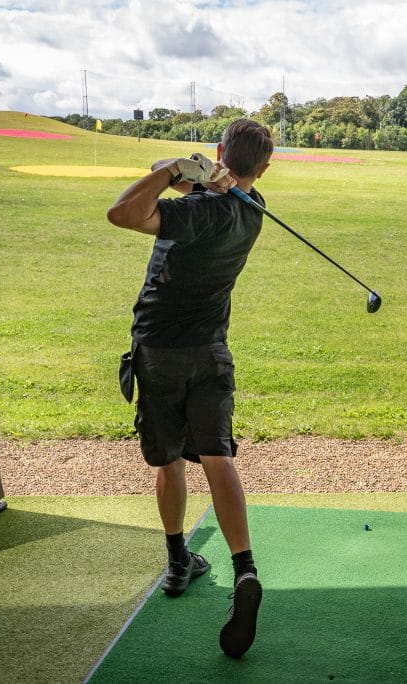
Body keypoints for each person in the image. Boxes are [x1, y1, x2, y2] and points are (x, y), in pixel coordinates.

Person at [106, 118, 274, 659]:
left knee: (169, 461)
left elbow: (123, 213)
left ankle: (179, 560)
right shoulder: (254, 209)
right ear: (263, 167)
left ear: (222, 150)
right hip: (212, 353)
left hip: (160, 350)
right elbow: (174, 178)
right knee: (217, 456)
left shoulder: (197, 213)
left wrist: (182, 171)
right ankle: (243, 567)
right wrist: (198, 176)